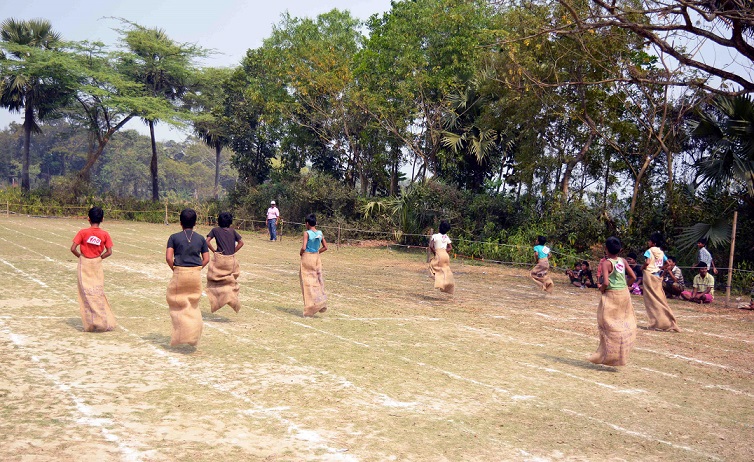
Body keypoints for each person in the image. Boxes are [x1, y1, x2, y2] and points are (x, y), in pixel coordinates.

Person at [588, 236, 637, 366]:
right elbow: (633, 276)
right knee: (621, 323)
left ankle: (606, 354)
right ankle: (619, 353)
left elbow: (605, 282)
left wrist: (601, 289)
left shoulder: (606, 263)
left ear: (606, 249)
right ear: (620, 250)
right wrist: (625, 286)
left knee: (607, 324)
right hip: (624, 295)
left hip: (612, 295)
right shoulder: (623, 261)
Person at [166, 209, 209, 347]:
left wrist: (175, 270)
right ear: (195, 223)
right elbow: (206, 259)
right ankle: (193, 334)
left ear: (180, 223)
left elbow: (168, 258)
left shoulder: (174, 237)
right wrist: (197, 269)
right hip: (195, 275)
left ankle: (181, 334)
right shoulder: (201, 238)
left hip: (180, 273)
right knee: (193, 305)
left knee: (176, 304)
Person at [70, 206, 116, 332]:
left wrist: (81, 257)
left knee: (85, 293)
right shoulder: (104, 234)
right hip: (97, 263)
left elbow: (73, 248)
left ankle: (91, 323)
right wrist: (100, 258)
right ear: (102, 219)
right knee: (97, 292)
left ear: (88, 219)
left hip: (84, 263)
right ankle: (103, 321)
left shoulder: (82, 232)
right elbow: (109, 252)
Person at [641, 232, 680, 332]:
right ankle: (669, 321)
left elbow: (647, 262)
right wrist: (660, 269)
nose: (648, 242)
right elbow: (668, 264)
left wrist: (642, 267)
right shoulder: (661, 253)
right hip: (657, 276)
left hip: (649, 276)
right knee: (660, 298)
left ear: (653, 243)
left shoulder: (649, 251)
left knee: (651, 300)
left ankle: (656, 323)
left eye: (650, 241)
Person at [206, 212, 244, 314]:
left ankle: (219, 300)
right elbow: (241, 243)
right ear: (230, 222)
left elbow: (207, 241)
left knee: (213, 281)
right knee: (230, 280)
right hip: (231, 260)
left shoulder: (215, 230)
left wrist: (214, 251)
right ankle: (231, 297)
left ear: (219, 221)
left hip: (220, 259)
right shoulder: (233, 231)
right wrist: (233, 251)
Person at [300, 214, 328, 317]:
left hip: (307, 257)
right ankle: (322, 302)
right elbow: (325, 247)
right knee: (318, 280)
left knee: (307, 283)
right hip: (317, 258)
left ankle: (310, 309)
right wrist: (317, 252)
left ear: (307, 223)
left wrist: (301, 253)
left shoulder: (307, 233)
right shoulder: (320, 233)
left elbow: (304, 247)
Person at [428, 220, 455, 294]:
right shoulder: (446, 237)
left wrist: (435, 253)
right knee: (446, 269)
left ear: (439, 228)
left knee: (432, 266)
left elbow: (431, 246)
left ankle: (439, 283)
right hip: (446, 255)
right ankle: (448, 283)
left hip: (439, 254)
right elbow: (450, 247)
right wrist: (444, 251)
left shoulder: (435, 236)